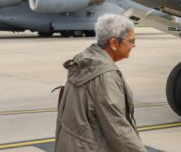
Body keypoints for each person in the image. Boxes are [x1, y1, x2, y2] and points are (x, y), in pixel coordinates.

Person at [55, 14, 146, 152]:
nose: (134, 45)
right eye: (131, 41)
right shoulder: (105, 77)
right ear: (114, 43)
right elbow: (118, 130)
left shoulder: (84, 60)